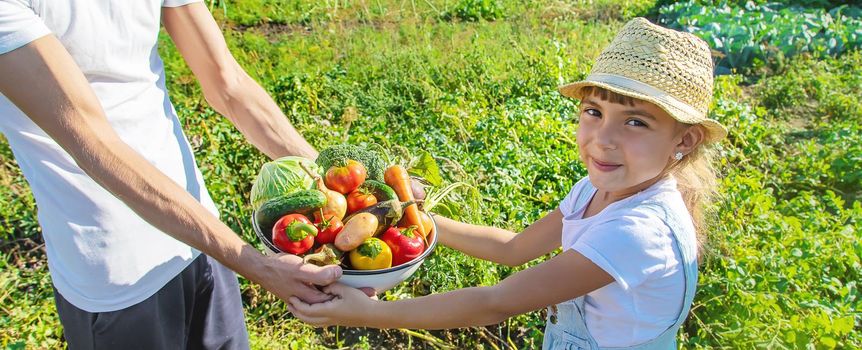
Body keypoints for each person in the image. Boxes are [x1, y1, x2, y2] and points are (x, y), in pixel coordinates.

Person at [287, 17, 728, 349]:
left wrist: (373, 313)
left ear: (683, 141)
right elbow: (512, 248)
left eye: (635, 121)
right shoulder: (597, 191)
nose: (603, 139)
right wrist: (412, 215)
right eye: (594, 112)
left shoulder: (638, 232)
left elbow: (499, 301)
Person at [0, 1, 344, 348]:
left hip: (203, 240)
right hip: (117, 273)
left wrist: (336, 185)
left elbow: (228, 83)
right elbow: (96, 144)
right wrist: (258, 266)